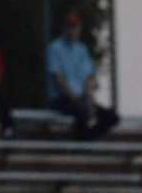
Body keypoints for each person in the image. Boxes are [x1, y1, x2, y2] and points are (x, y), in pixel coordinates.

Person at [46, 11, 119, 140]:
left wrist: (89, 100)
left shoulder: (82, 50)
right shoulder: (55, 48)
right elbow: (59, 80)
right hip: (62, 99)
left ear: (80, 29)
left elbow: (88, 79)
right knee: (82, 113)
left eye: (75, 27)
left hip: (81, 99)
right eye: (70, 27)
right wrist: (77, 99)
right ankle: (81, 142)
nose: (72, 30)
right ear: (65, 28)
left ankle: (85, 140)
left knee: (112, 118)